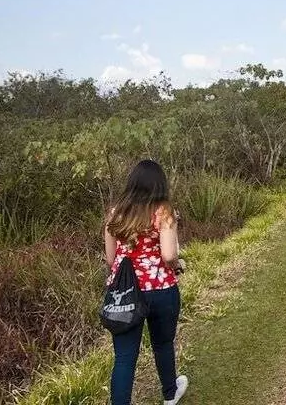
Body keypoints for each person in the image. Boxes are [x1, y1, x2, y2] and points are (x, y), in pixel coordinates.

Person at [104, 160, 188, 405]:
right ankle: (170, 394)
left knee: (124, 357)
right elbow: (169, 255)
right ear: (159, 184)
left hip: (125, 292)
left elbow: (111, 259)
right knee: (162, 343)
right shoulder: (163, 211)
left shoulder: (115, 213)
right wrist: (177, 265)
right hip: (161, 289)